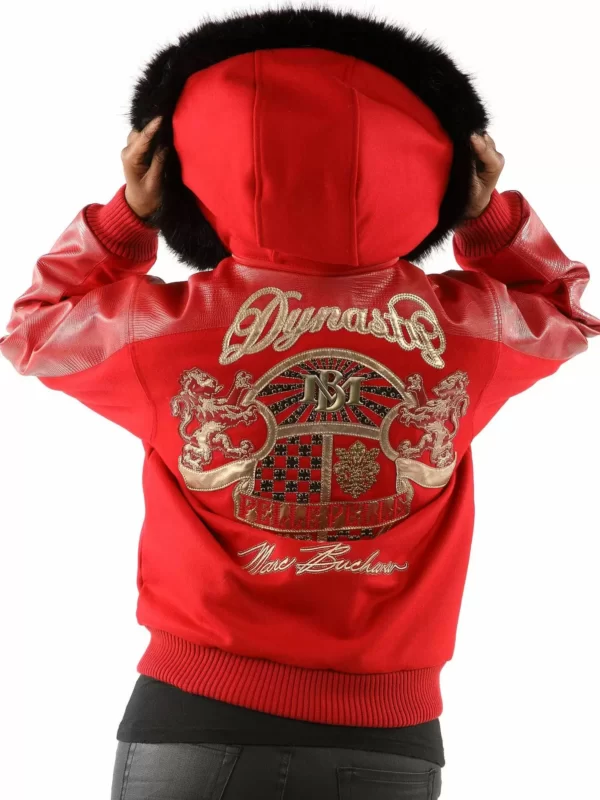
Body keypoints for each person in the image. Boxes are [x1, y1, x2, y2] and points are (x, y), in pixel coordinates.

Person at [1, 7, 598, 799]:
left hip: (193, 718)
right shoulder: (468, 331)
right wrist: (486, 218)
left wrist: (127, 219)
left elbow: (34, 331)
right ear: (440, 168)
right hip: (389, 736)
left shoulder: (163, 331)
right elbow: (564, 313)